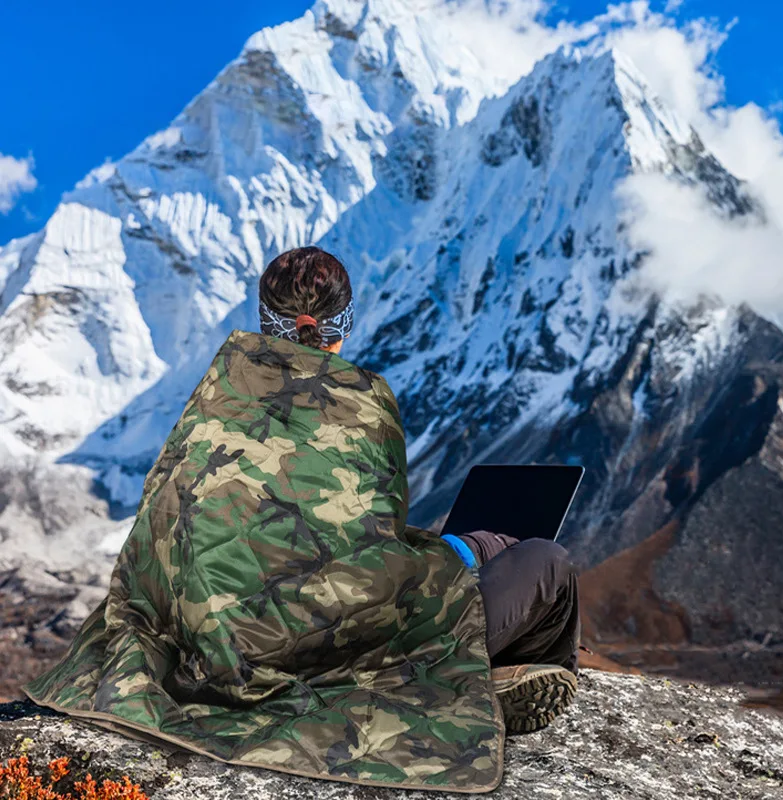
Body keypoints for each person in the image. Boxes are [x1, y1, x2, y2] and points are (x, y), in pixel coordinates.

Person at [23, 247, 580, 794]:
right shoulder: (366, 400)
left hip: (196, 642)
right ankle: (493, 680)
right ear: (345, 323)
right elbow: (369, 556)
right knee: (545, 564)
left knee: (469, 552)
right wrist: (457, 556)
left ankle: (486, 671)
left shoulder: (219, 387)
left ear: (265, 317)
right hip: (313, 651)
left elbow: (164, 528)